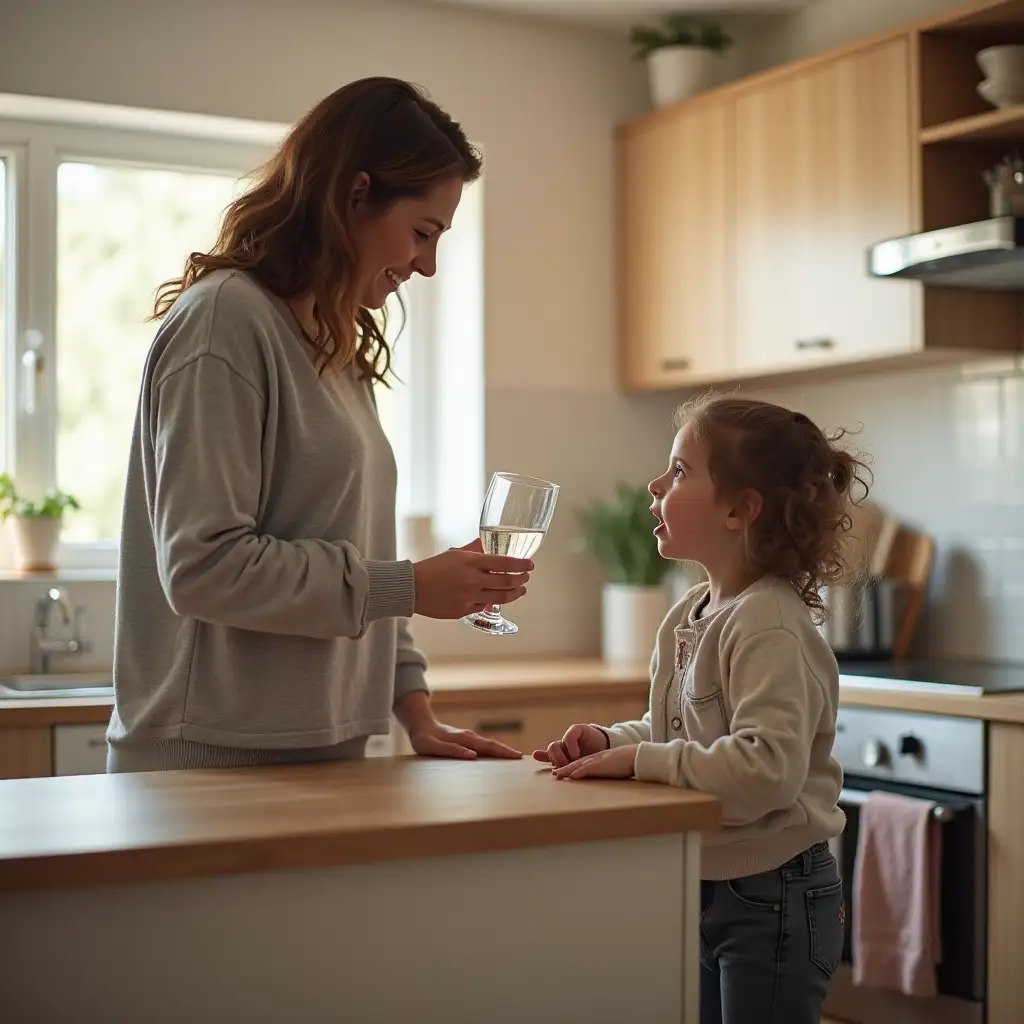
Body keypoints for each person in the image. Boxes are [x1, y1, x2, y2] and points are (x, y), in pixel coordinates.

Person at [107, 78, 534, 773]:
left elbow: (360, 548)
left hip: (328, 746)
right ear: (354, 194)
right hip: (210, 762)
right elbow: (202, 568)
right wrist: (410, 586)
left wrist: (415, 710)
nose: (428, 264)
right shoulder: (227, 321)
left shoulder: (337, 348)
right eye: (422, 233)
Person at [535, 394, 870, 1024]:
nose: (657, 486)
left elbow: (763, 771)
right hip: (710, 883)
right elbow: (684, 733)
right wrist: (612, 741)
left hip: (774, 893)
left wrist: (640, 760)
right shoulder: (692, 614)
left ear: (740, 511)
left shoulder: (768, 624)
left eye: (681, 471)